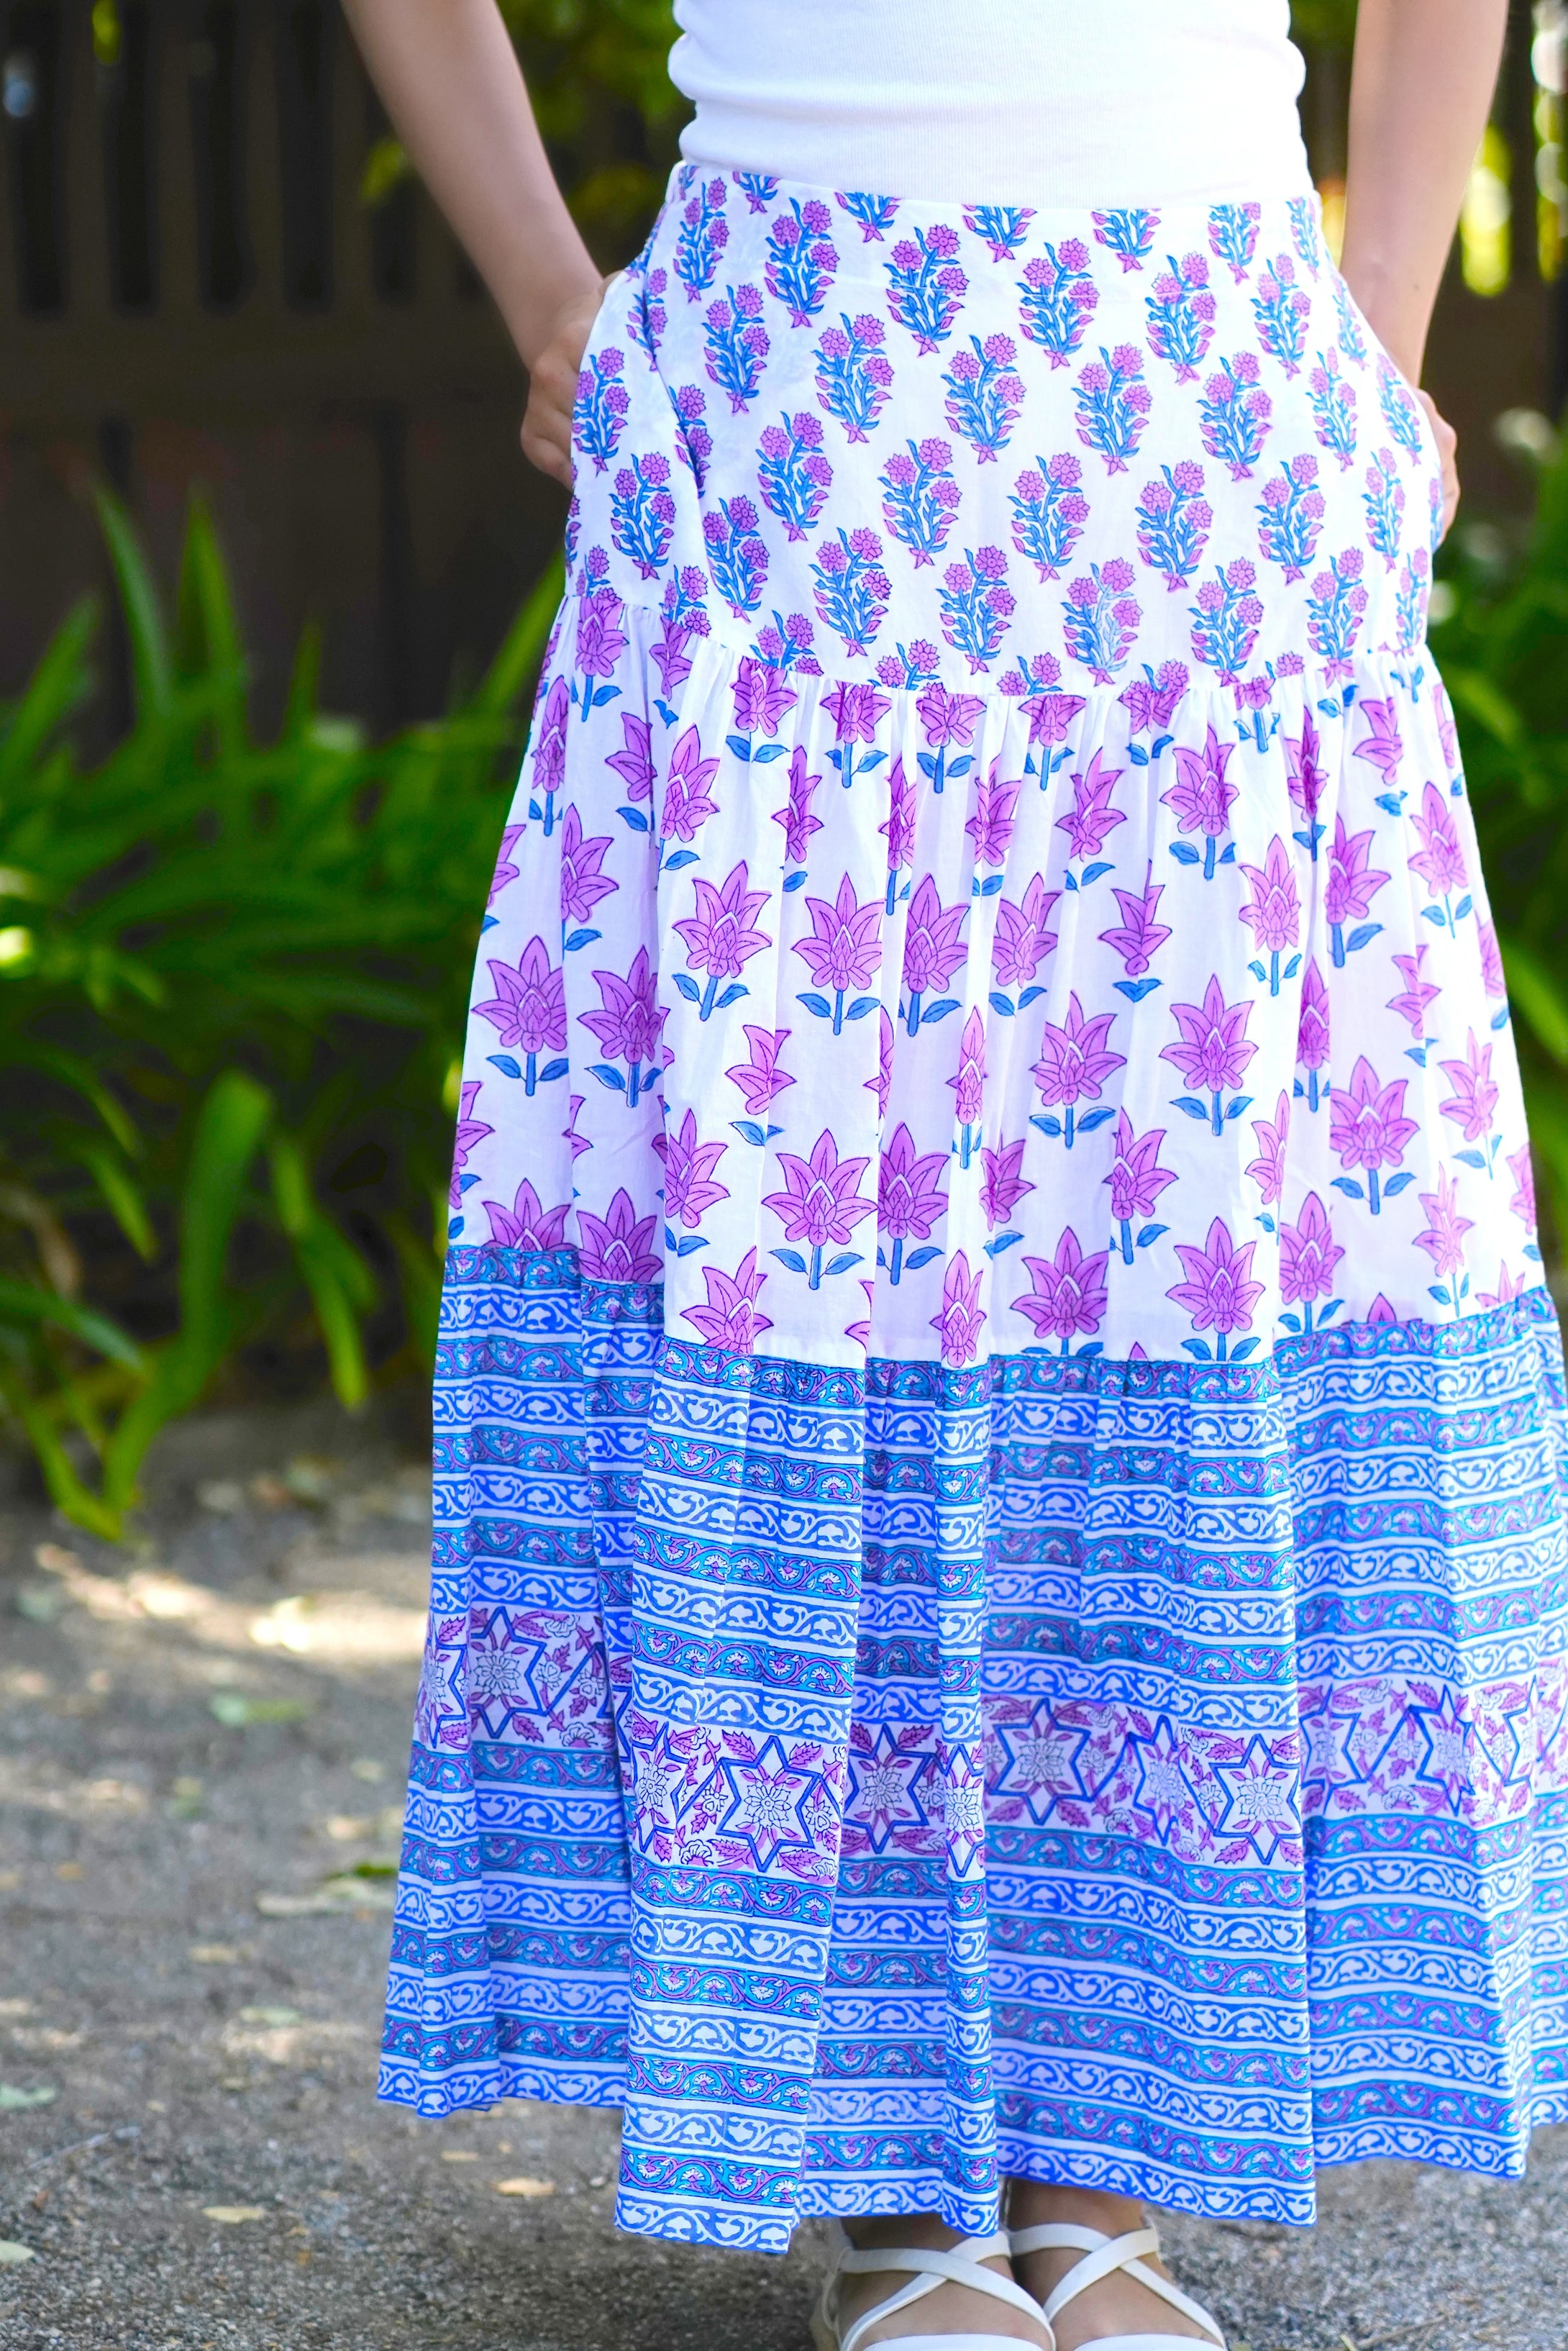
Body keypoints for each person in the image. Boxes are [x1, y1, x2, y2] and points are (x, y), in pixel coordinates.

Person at [346, 1, 1567, 2344]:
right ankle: (894, 2184)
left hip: (1204, 431)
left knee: (1162, 1251)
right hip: (791, 427)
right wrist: (548, 306)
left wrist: (1374, 359)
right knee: (851, 1269)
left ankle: (1093, 2177)